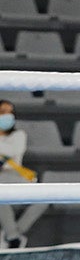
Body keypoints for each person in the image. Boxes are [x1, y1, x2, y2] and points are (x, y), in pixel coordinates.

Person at [0, 99, 45, 249]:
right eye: (3, 112)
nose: (7, 116)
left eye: (10, 112)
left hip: (15, 177)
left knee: (44, 198)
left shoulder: (19, 135)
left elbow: (14, 151)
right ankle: (13, 238)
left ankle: (12, 234)